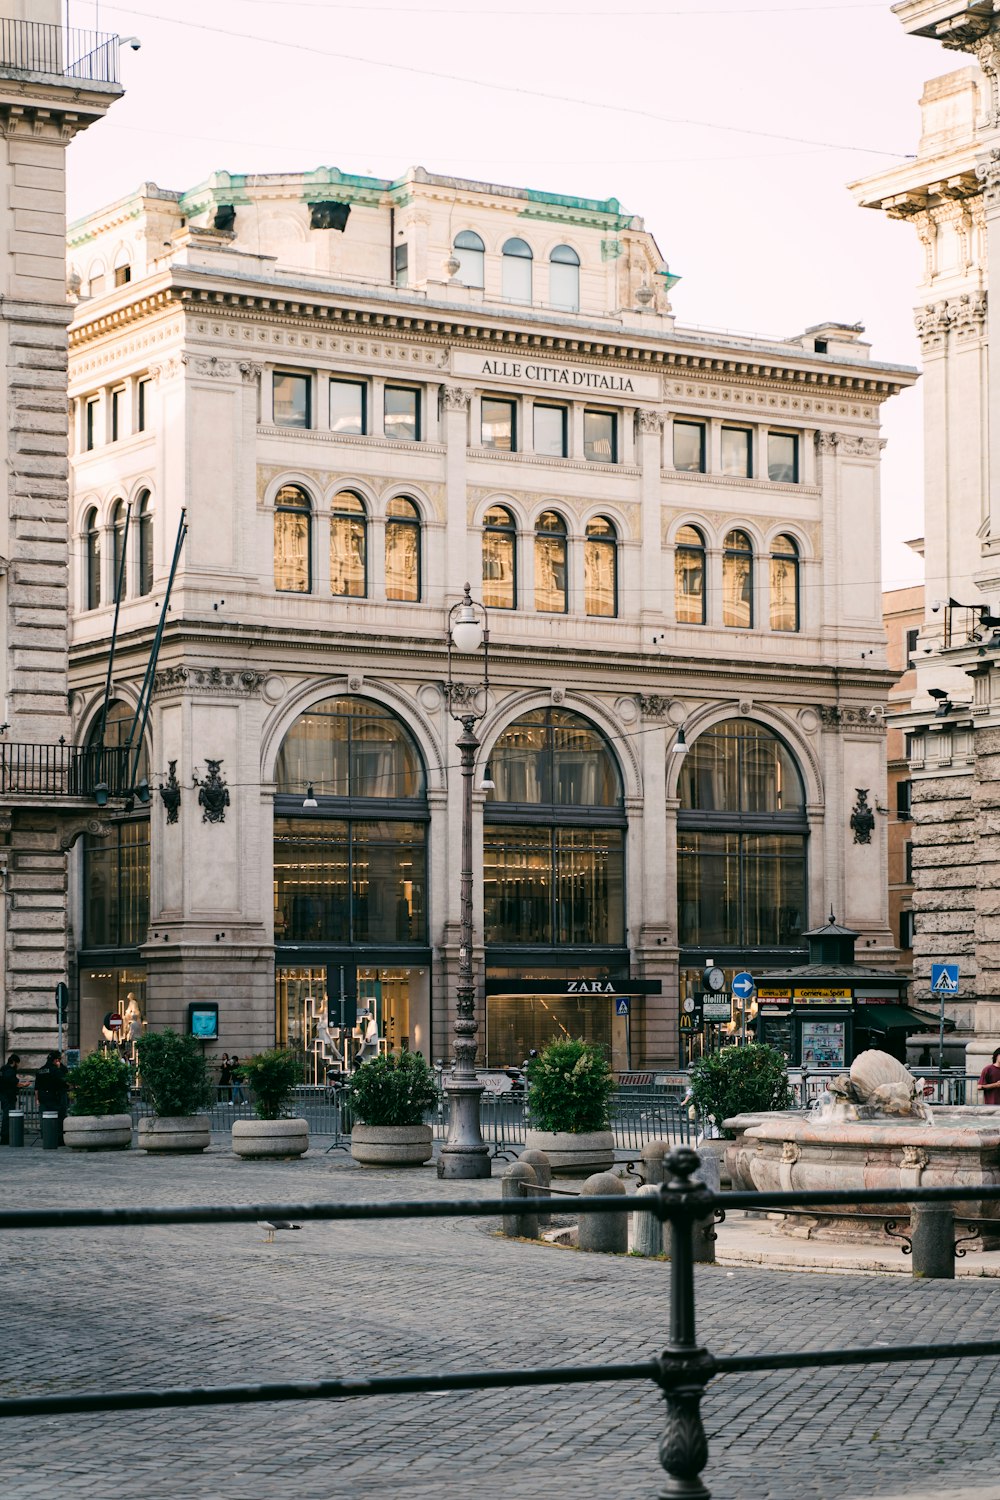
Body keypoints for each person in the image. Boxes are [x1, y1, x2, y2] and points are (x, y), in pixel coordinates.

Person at [35, 1050, 69, 1143]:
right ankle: (58, 1139)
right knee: (59, 1118)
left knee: (44, 1119)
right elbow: (64, 1081)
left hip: (43, 1098)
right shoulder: (56, 1070)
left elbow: (36, 1087)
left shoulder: (40, 1070)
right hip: (55, 1098)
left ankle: (45, 1137)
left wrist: (37, 1099)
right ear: (56, 1060)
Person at [0, 1052, 20, 1144]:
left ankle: (5, 1136)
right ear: (14, 1062)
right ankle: (5, 1137)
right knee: (7, 1116)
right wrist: (24, 1084)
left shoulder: (3, 1069)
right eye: (17, 1063)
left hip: (4, 1095)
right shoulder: (10, 1071)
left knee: (6, 1115)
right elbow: (13, 1083)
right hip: (8, 1096)